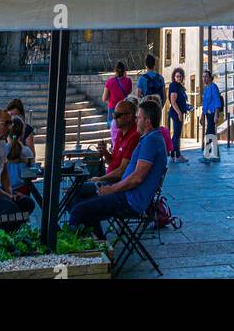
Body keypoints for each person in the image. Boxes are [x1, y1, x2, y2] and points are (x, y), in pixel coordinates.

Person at [68, 97, 167, 238]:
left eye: (138, 118)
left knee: (79, 210)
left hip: (130, 200)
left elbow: (137, 178)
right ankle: (98, 242)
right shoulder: (150, 138)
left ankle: (89, 248)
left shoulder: (151, 141)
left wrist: (111, 189)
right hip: (125, 194)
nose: (136, 121)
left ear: (147, 121)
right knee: (78, 200)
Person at [96, 99, 140, 181]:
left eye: (118, 115)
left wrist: (100, 178)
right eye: (114, 115)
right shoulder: (120, 133)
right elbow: (112, 163)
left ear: (129, 117)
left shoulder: (134, 137)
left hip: (115, 184)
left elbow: (122, 171)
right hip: (109, 179)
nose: (114, 118)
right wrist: (104, 152)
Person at [5, 117, 35, 195]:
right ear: (22, 133)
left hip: (5, 192)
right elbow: (33, 175)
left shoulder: (1, 150)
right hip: (23, 192)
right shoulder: (27, 151)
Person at [167, 67, 190, 164]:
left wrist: (187, 106)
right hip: (176, 114)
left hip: (179, 113)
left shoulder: (179, 86)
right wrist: (179, 113)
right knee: (176, 135)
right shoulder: (174, 86)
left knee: (176, 135)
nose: (179, 78)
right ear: (174, 77)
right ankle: (177, 155)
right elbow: (173, 101)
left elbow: (181, 100)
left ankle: (173, 155)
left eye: (180, 76)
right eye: (177, 76)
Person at [202, 70, 223, 139]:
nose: (204, 78)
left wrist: (216, 115)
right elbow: (205, 103)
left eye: (206, 77)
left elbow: (217, 101)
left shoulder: (213, 87)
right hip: (207, 114)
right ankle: (215, 149)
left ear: (210, 78)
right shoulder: (206, 88)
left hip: (213, 114)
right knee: (211, 133)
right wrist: (202, 115)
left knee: (209, 133)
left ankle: (208, 149)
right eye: (203, 77)